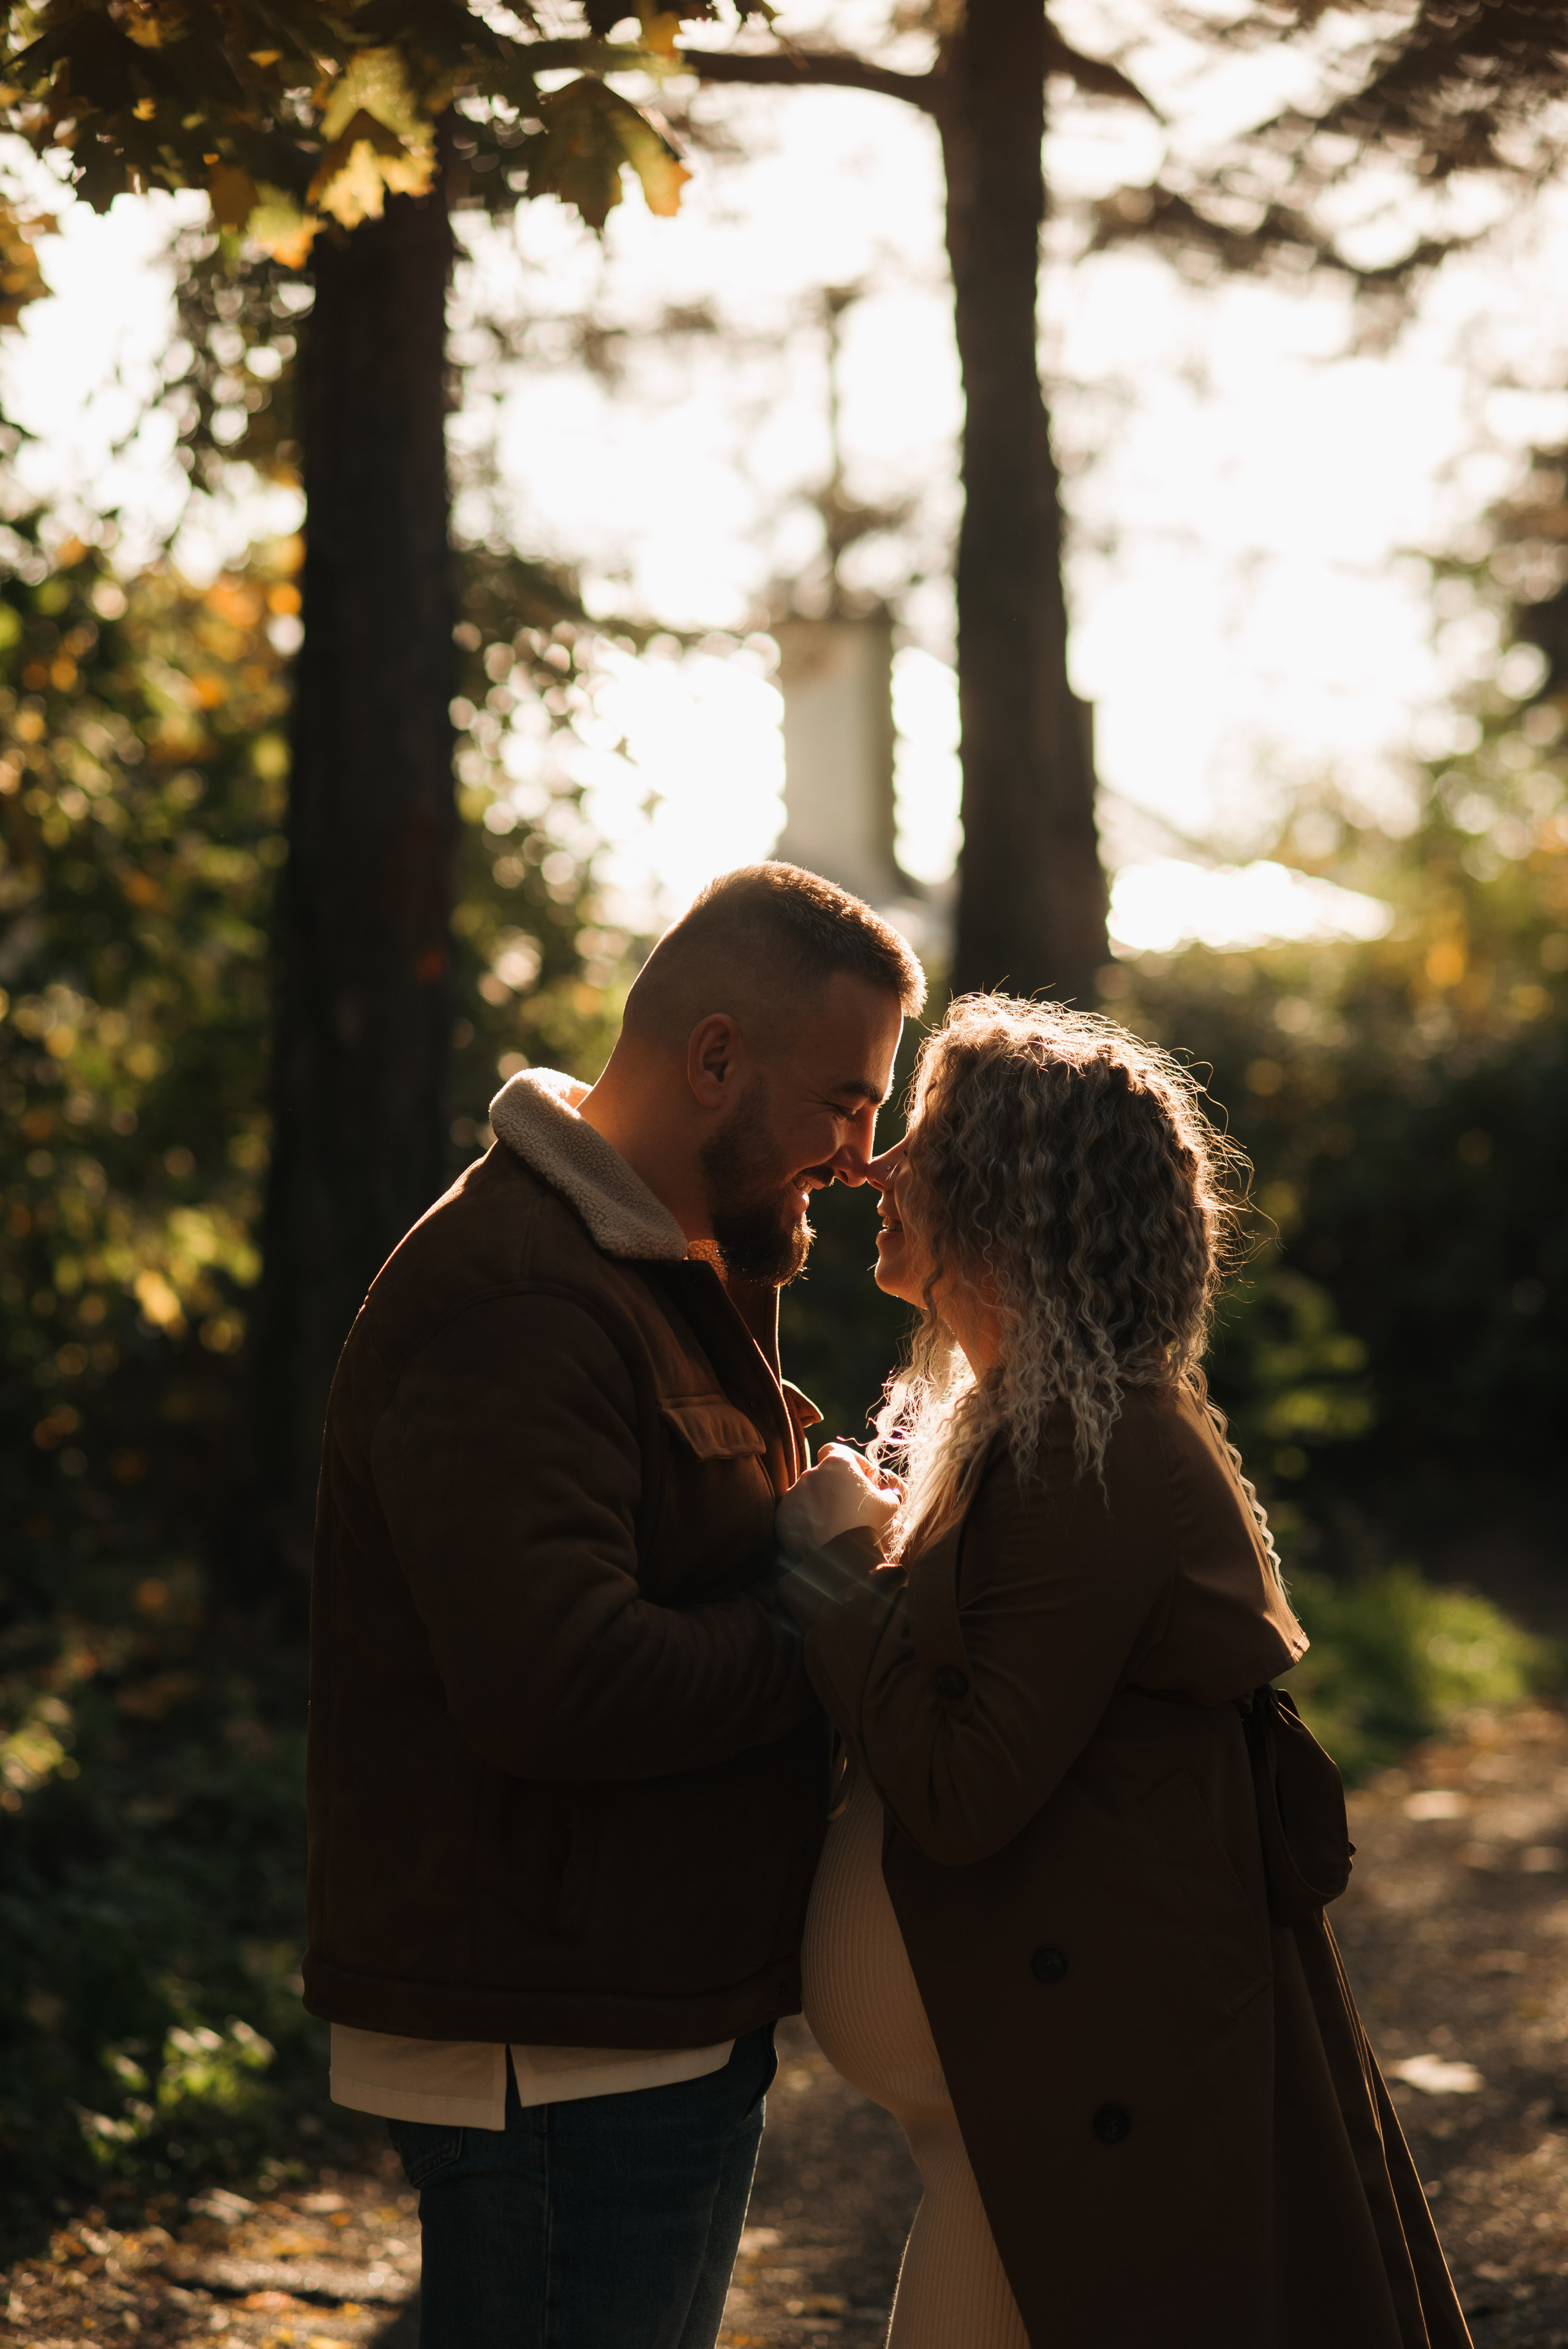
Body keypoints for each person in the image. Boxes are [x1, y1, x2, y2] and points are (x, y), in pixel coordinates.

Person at [775, 994, 1472, 2349]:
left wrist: (827, 1575)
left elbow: (967, 1786)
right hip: (1015, 2110)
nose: (877, 1166)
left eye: (918, 1135)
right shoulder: (1019, 1431)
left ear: (1008, 1194)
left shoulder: (1095, 1457)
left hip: (1080, 2105)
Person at [300, 863, 924, 2349]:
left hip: (633, 2011)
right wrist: (820, 1588)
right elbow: (559, 1684)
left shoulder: (666, 1265)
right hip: (556, 2049)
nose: (860, 1156)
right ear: (713, 1057)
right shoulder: (520, 1297)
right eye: (843, 1103)